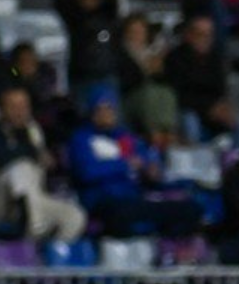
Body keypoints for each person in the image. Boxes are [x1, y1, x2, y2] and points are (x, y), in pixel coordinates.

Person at [66, 92, 204, 238]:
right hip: (103, 200)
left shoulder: (126, 137)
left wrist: (152, 174)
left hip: (135, 197)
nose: (106, 113)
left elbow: (147, 165)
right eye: (101, 109)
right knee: (121, 213)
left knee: (191, 209)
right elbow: (86, 172)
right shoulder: (81, 139)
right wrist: (124, 165)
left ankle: (168, 249)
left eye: (110, 109)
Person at [0, 83, 86, 244]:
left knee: (74, 215)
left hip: (32, 199)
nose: (20, 112)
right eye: (14, 106)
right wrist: (32, 153)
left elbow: (47, 163)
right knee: (21, 168)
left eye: (24, 106)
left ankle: (53, 260)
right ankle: (32, 234)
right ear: (1, 108)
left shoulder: (31, 131)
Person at [162, 14, 235, 139]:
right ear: (188, 35)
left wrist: (222, 107)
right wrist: (208, 108)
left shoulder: (216, 59)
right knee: (189, 121)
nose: (204, 39)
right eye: (199, 34)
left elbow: (221, 89)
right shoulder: (175, 58)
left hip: (212, 112)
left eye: (209, 35)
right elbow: (176, 94)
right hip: (186, 110)